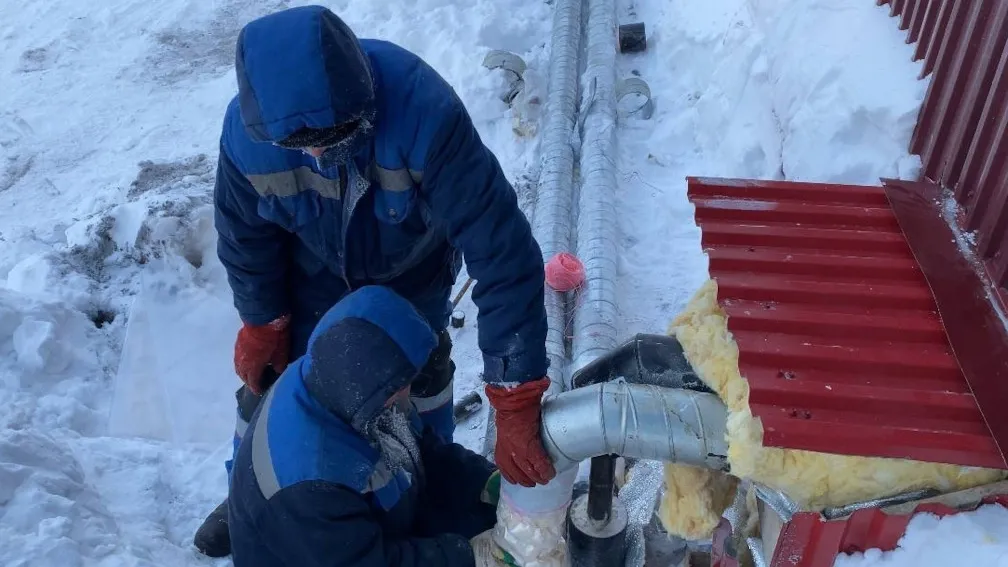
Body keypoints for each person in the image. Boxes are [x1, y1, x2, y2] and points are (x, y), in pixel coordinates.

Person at [195, 4, 558, 557]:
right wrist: (263, 317)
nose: (317, 153)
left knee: (412, 381)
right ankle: (255, 499)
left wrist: (515, 394)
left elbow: (502, 252)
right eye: (298, 143)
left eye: (334, 133)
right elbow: (245, 237)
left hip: (406, 273)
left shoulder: (424, 114)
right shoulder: (248, 138)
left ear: (362, 95)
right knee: (279, 387)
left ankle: (416, 494)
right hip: (311, 273)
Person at [228, 286, 519, 567]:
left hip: (371, 526)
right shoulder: (309, 481)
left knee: (485, 516)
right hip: (338, 554)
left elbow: (418, 446)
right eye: (400, 384)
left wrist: (481, 480)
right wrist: (470, 556)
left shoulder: (348, 383)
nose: (407, 392)